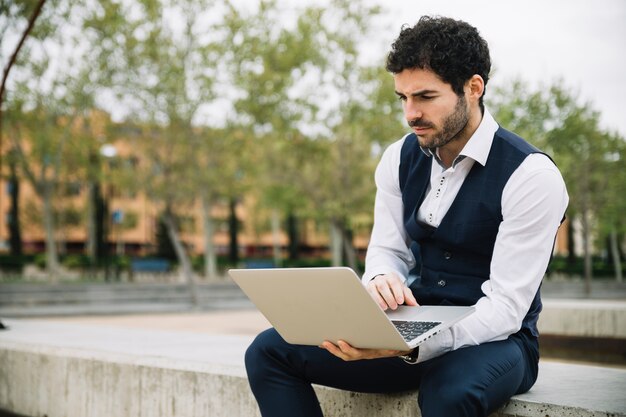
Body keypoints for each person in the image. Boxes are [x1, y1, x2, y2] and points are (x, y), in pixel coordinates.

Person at [244, 16, 568, 417]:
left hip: (499, 341)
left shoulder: (531, 176)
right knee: (268, 351)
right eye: (403, 98)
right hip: (410, 327)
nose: (411, 113)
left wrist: (413, 345)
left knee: (449, 395)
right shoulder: (398, 157)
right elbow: (386, 251)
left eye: (426, 97)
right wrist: (381, 280)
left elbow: (505, 309)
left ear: (473, 87)